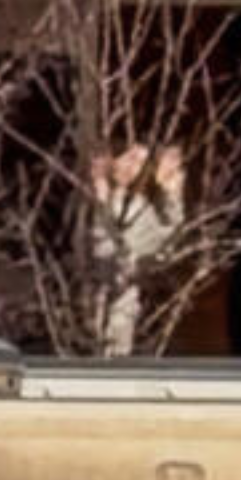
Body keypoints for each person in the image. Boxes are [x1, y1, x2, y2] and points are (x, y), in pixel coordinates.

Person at [90, 143, 184, 356]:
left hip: (123, 316)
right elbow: (101, 246)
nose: (135, 167)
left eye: (142, 162)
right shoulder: (97, 196)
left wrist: (172, 195)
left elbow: (164, 243)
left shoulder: (139, 207)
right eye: (131, 157)